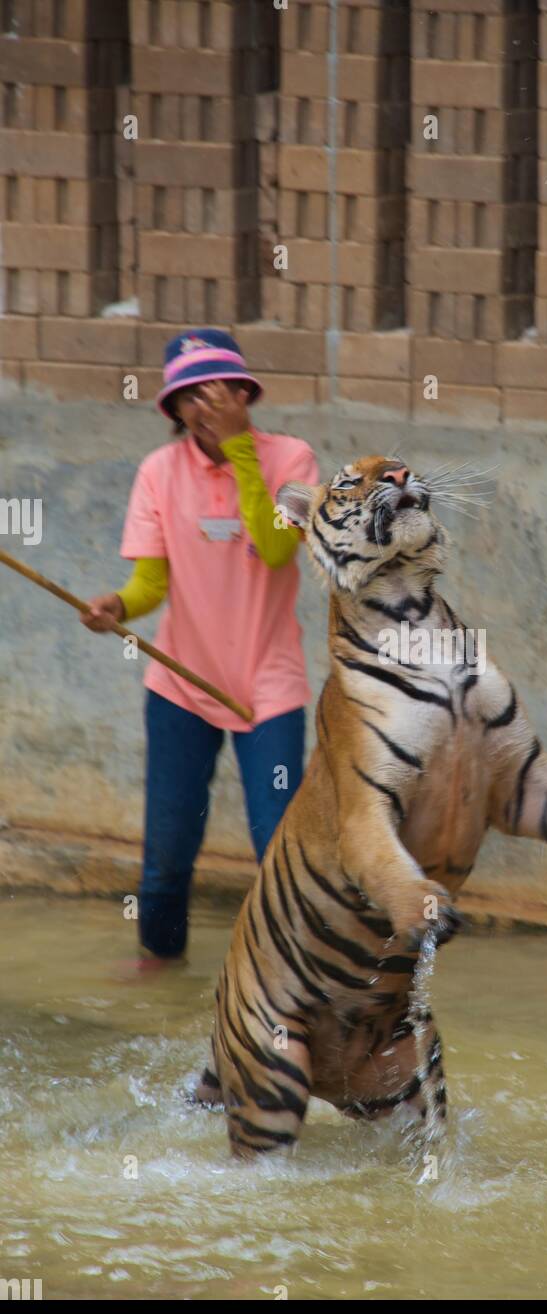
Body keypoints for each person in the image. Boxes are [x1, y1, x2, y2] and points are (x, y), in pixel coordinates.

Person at [81, 328, 319, 961]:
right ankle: (160, 972)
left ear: (244, 393)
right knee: (167, 851)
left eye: (217, 390)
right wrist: (119, 605)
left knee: (277, 850)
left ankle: (289, 987)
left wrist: (242, 452)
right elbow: (151, 581)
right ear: (174, 408)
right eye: (189, 395)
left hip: (269, 687)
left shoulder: (294, 460)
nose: (203, 405)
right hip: (179, 686)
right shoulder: (158, 471)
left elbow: (273, 550)